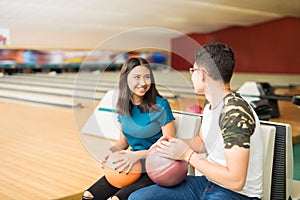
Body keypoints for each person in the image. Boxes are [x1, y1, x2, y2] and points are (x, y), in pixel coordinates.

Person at [129, 43, 264, 200]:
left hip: (237, 195)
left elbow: (236, 181)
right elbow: (203, 142)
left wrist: (187, 155)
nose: (191, 75)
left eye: (192, 71)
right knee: (138, 198)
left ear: (202, 74)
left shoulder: (235, 112)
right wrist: (171, 143)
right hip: (207, 183)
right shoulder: (211, 105)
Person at [82, 57, 176, 200]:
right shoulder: (123, 107)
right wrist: (111, 152)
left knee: (116, 199)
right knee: (88, 196)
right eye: (137, 77)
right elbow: (123, 143)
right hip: (131, 162)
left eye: (147, 77)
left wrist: (137, 155)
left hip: (155, 166)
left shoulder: (161, 105)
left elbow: (170, 146)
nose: (143, 83)